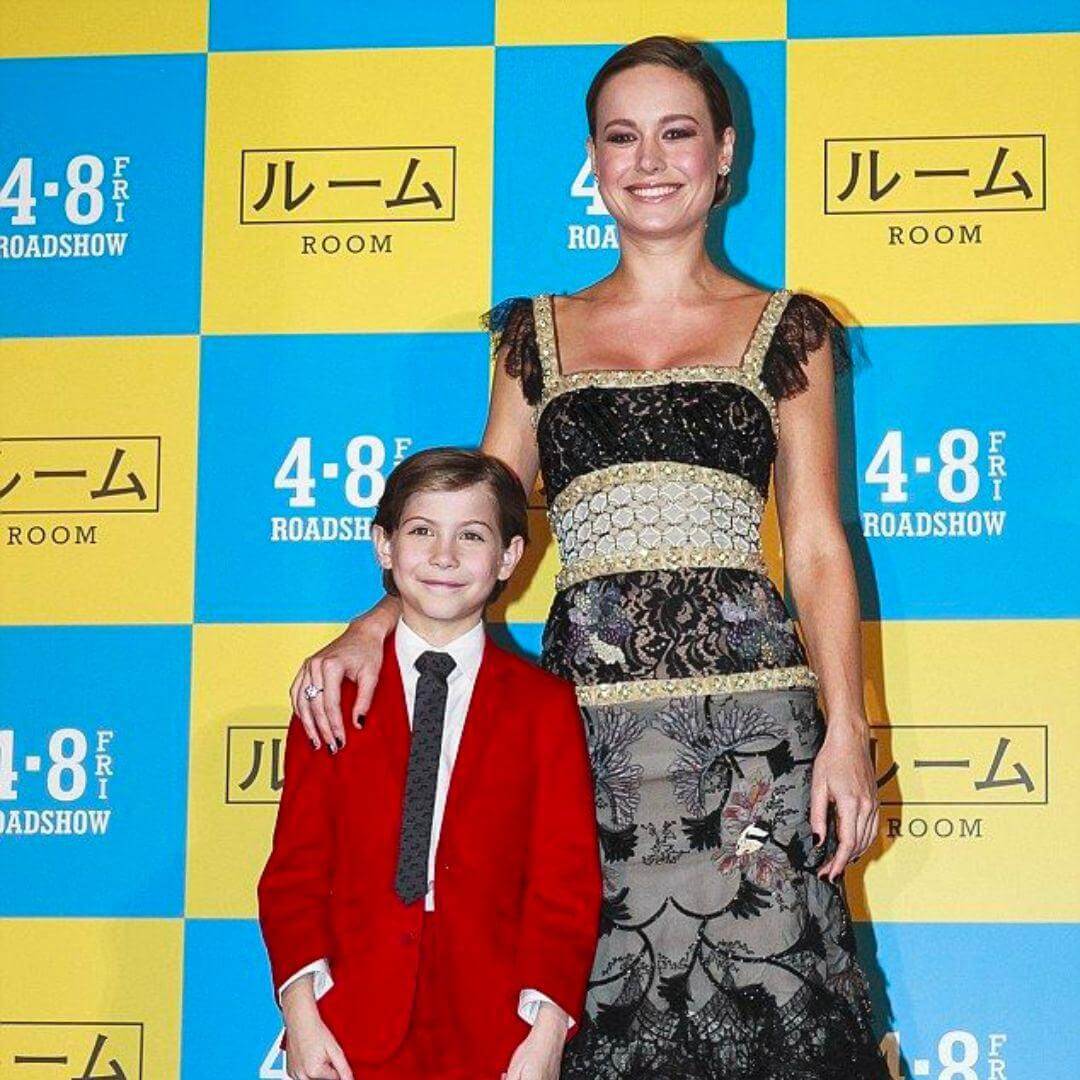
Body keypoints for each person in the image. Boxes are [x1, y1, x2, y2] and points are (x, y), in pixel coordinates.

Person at [289, 34, 890, 1080]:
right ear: (594, 161)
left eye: (676, 134)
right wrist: (365, 629)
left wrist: (846, 732)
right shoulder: (536, 335)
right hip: (583, 743)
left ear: (724, 153)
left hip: (756, 739)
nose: (649, 160)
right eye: (623, 137)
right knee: (575, 1005)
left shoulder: (790, 329)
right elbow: (468, 525)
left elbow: (817, 546)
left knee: (778, 1007)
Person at [259, 448, 602, 1080]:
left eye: (471, 536)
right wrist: (302, 1016)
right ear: (383, 546)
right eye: (422, 532)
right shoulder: (330, 693)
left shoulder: (544, 708)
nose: (444, 557)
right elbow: (294, 873)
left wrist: (547, 1031)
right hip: (351, 1022)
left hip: (497, 1028)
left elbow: (566, 884)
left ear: (507, 558)